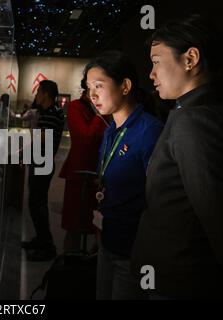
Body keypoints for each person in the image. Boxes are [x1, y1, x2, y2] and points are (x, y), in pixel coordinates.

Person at [132, 15, 223, 299]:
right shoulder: (188, 112)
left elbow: (214, 212)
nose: (151, 73)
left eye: (157, 61)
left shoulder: (194, 120)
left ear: (190, 59)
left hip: (181, 280)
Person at [85, 51, 164, 300]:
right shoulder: (111, 131)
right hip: (108, 241)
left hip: (132, 252)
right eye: (89, 88)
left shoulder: (149, 132)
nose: (92, 95)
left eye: (99, 85)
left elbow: (160, 200)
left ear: (125, 86)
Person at [59, 77, 108, 254]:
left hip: (99, 174)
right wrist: (99, 115)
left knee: (97, 225)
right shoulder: (76, 107)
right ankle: (69, 264)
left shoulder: (105, 107)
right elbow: (84, 138)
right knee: (74, 226)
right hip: (79, 174)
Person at [22, 80, 65, 261]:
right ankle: (41, 240)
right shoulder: (48, 112)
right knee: (35, 203)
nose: (36, 96)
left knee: (38, 205)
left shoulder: (52, 114)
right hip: (40, 162)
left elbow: (41, 139)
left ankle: (47, 246)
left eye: (38, 92)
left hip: (43, 163)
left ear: (46, 94)